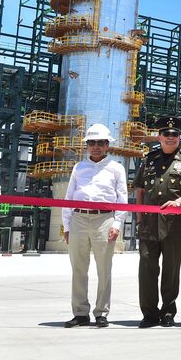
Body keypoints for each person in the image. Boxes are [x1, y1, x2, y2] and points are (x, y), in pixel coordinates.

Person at [133, 116, 181, 328]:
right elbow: (140, 190)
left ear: (179, 137)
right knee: (147, 268)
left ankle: (168, 312)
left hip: (174, 224)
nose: (171, 137)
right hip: (149, 224)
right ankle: (149, 314)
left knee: (171, 271)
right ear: (159, 136)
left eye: (175, 134)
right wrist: (139, 219)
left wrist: (178, 203)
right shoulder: (148, 159)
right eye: (166, 134)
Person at [62, 124, 128, 328]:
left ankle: (101, 312)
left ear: (107, 145)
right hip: (78, 219)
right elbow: (69, 196)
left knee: (104, 268)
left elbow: (122, 198)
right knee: (78, 268)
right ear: (87, 145)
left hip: (104, 220)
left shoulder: (116, 168)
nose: (96, 146)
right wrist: (66, 226)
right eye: (92, 142)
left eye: (100, 142)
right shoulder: (79, 167)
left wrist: (117, 223)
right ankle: (80, 313)